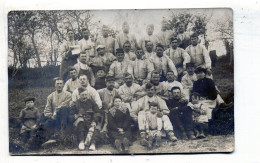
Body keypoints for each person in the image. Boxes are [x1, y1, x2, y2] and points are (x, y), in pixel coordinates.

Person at [42, 78, 72, 146]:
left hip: (65, 117)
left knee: (63, 109)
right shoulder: (50, 96)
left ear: (63, 85)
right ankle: (48, 140)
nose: (59, 85)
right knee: (46, 124)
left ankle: (62, 135)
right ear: (55, 85)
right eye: (57, 84)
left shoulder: (68, 95)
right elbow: (47, 109)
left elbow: (66, 105)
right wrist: (50, 116)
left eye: (61, 84)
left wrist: (56, 110)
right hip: (54, 117)